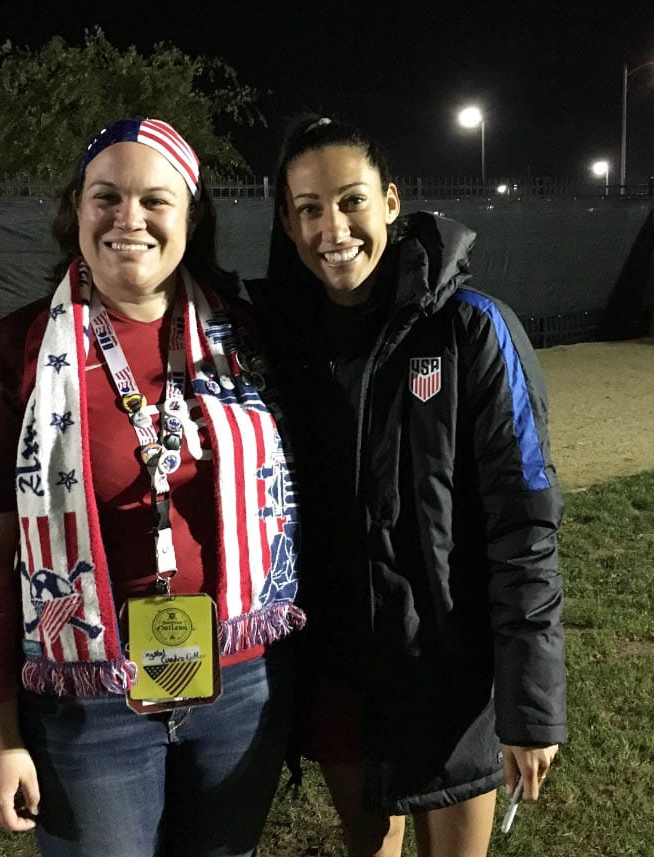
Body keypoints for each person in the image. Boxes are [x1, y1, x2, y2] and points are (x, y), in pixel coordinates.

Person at [0, 117, 304, 857]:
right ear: (76, 209)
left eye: (155, 200)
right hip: (87, 703)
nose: (128, 219)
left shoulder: (247, 335)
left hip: (237, 687)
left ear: (192, 215)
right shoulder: (13, 353)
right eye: (105, 197)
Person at [247, 115, 566, 857]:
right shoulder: (276, 347)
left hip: (447, 678)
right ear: (288, 226)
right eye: (309, 208)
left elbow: (524, 524)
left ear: (391, 202)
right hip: (338, 672)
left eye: (352, 200)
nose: (334, 227)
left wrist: (530, 705)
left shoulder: (473, 330)